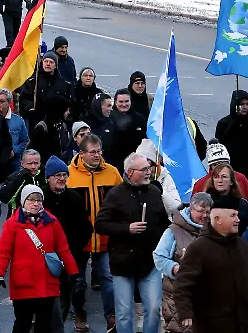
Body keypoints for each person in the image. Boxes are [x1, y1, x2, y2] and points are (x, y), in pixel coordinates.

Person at [95, 153, 170, 333]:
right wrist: (127, 229)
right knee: (124, 313)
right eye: (144, 169)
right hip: (123, 263)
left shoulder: (154, 191)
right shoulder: (115, 194)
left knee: (153, 309)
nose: (148, 172)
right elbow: (100, 224)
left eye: (149, 168)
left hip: (149, 262)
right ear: (130, 172)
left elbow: (164, 223)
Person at [0, 184, 79, 333]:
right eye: (31, 200)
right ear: (23, 201)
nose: (35, 203)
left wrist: (74, 273)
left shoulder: (52, 222)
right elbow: (4, 252)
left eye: (39, 200)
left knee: (44, 324)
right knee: (22, 323)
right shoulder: (12, 225)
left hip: (47, 283)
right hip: (23, 283)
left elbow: (63, 250)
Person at [173, 194, 248, 333]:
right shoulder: (199, 248)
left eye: (237, 215)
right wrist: (185, 312)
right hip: (212, 324)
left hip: (245, 324)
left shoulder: (243, 246)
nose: (238, 220)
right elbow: (183, 283)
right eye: (233, 216)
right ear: (217, 219)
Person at [66, 133, 122, 330]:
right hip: (79, 238)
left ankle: (111, 316)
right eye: (93, 152)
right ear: (81, 154)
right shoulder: (69, 175)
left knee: (108, 278)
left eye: (99, 151)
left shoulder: (112, 173)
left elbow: (122, 201)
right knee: (78, 280)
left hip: (106, 236)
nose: (97, 155)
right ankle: (79, 313)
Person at [42, 155, 94, 331]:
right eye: (57, 175)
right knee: (49, 298)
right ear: (48, 177)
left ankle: (71, 319)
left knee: (71, 291)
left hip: (72, 254)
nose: (62, 178)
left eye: (64, 174)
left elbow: (86, 228)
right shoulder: (40, 198)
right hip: (46, 257)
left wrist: (74, 249)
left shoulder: (74, 198)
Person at [152, 192, 212, 333]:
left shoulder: (215, 230)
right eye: (200, 211)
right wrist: (175, 268)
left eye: (207, 212)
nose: (204, 215)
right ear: (190, 209)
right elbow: (159, 257)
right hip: (179, 296)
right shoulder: (174, 231)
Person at [192, 143, 248, 218]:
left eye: (223, 163)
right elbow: (194, 210)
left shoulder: (241, 178)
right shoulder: (200, 184)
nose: (221, 168)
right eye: (216, 164)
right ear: (210, 166)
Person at [215, 90, 248, 186]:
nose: (244, 107)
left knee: (246, 200)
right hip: (230, 173)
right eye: (241, 104)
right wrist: (234, 123)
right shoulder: (224, 123)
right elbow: (220, 147)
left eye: (247, 104)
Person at [100, 89, 147, 169]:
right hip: (114, 164)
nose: (124, 104)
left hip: (135, 164)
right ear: (115, 102)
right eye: (121, 102)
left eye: (126, 101)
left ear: (130, 101)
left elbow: (145, 141)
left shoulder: (140, 119)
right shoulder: (108, 119)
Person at [136, 139, 184, 216]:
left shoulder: (164, 176)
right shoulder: (130, 177)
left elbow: (176, 209)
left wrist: (162, 192)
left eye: (149, 162)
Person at [203, 162, 248, 235]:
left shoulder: (243, 205)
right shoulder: (204, 203)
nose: (220, 180)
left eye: (224, 177)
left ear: (232, 181)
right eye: (216, 177)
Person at [0, 149, 44, 217]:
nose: (33, 166)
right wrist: (19, 178)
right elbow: (4, 198)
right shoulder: (15, 177)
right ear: (22, 163)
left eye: (36, 163)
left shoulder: (44, 177)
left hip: (40, 217)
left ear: (40, 163)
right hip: (18, 218)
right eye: (29, 163)